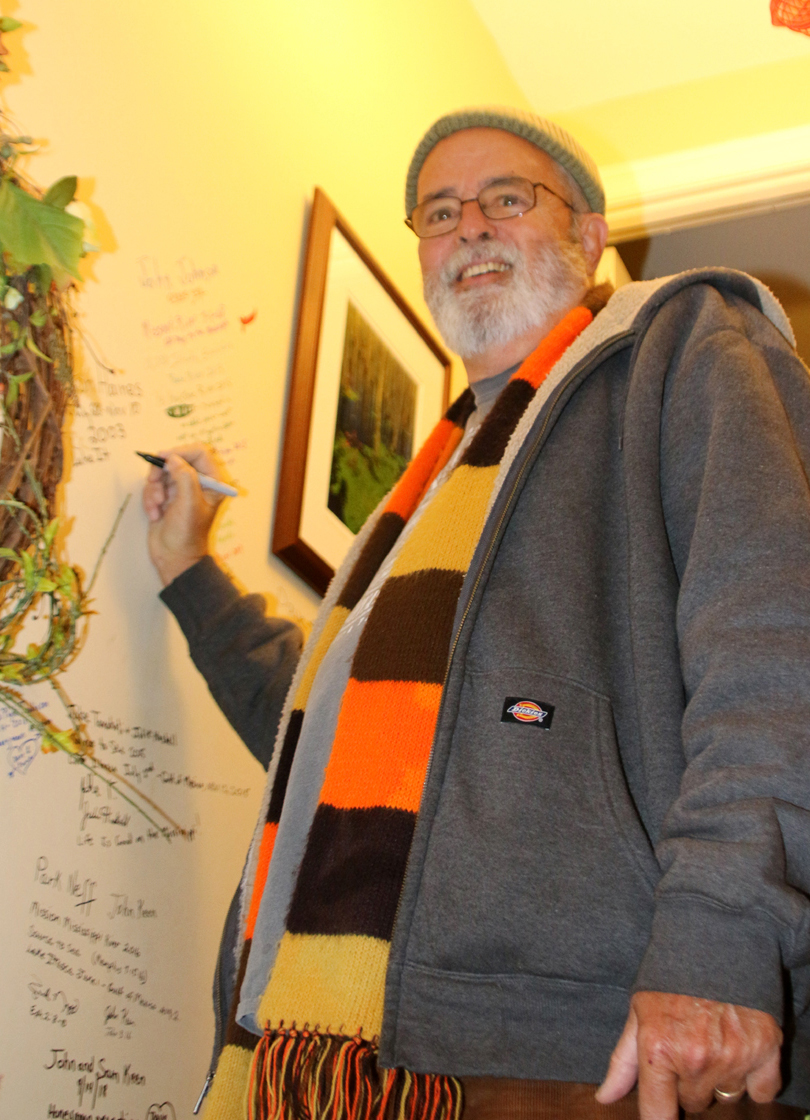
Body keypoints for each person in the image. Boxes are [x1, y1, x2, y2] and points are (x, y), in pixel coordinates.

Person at [143, 108, 810, 1120]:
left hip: (600, 1042)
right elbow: (318, 742)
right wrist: (190, 575)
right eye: (440, 214)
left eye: (508, 198)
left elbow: (774, 642)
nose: (471, 228)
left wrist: (723, 936)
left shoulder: (684, 343)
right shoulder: (422, 497)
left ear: (589, 237)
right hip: (339, 1059)